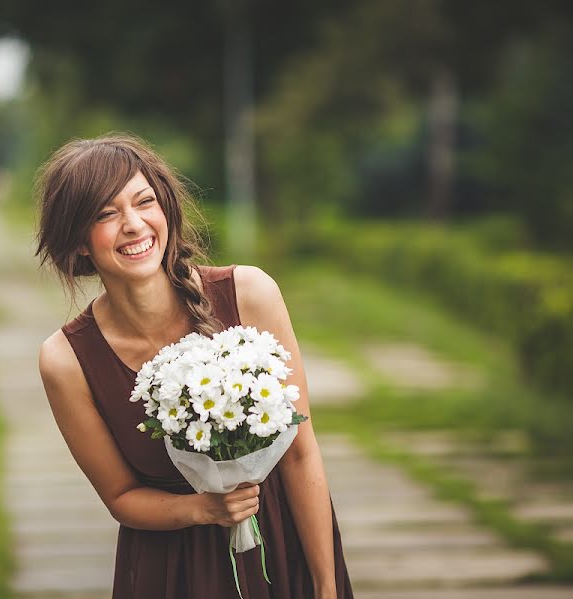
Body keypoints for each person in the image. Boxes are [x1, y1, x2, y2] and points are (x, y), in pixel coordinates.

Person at [35, 133, 353, 598]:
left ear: (165, 210)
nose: (133, 224)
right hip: (173, 571)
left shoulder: (250, 293)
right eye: (106, 214)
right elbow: (121, 497)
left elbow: (301, 452)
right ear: (78, 242)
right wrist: (204, 509)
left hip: (285, 548)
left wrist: (325, 586)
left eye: (144, 202)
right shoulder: (65, 360)